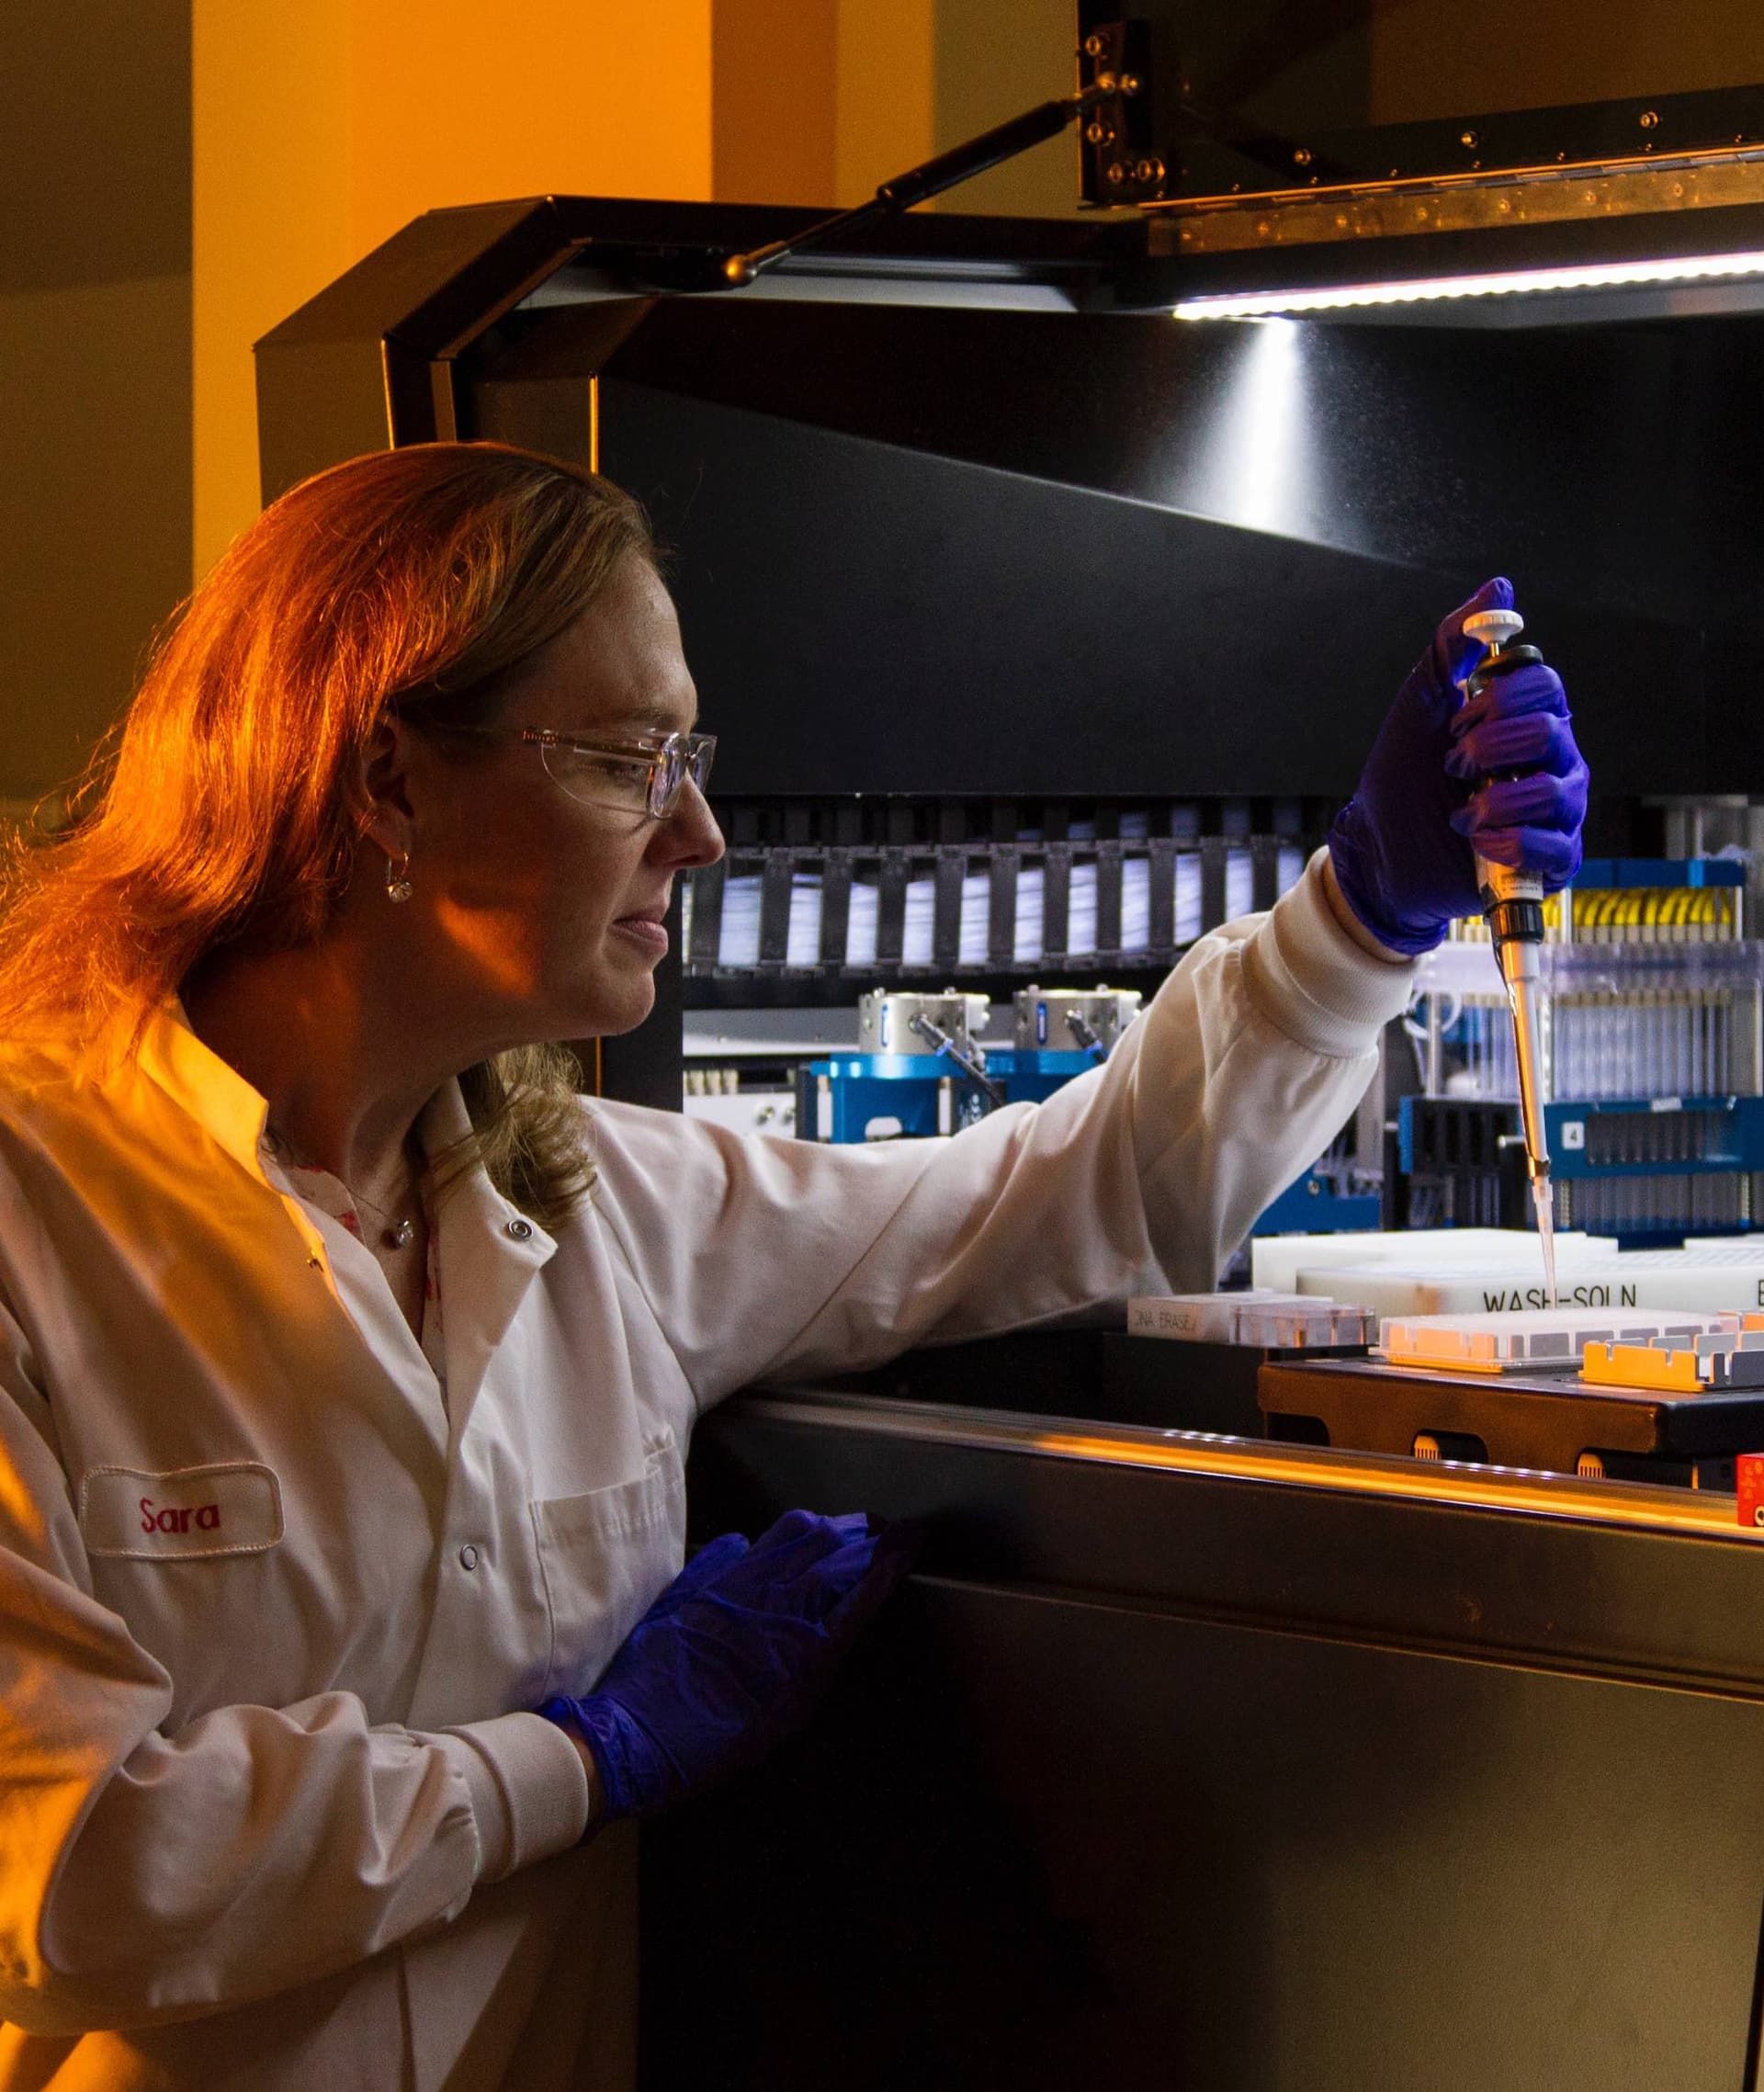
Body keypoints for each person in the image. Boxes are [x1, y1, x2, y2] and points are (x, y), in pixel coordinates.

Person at [0, 441, 1586, 2090]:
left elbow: (1069, 1192)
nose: (698, 830)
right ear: (388, 781)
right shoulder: (32, 1215)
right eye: (626, 760)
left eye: (691, 755)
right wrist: (579, 1761)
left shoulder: (600, 1207)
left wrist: (1360, 918)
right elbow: (64, 1874)